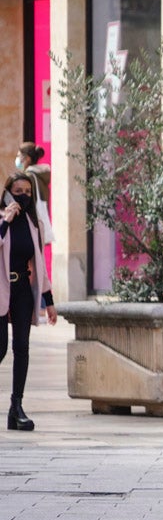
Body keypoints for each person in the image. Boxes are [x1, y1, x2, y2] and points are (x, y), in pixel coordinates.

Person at [2, 174, 58, 431]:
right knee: (0, 348)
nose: (22, 195)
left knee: (22, 347)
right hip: (2, 289)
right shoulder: (3, 217)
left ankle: (17, 408)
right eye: (17, 191)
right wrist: (5, 221)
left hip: (23, 289)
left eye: (27, 191)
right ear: (7, 193)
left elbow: (41, 265)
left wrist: (49, 301)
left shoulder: (34, 222)